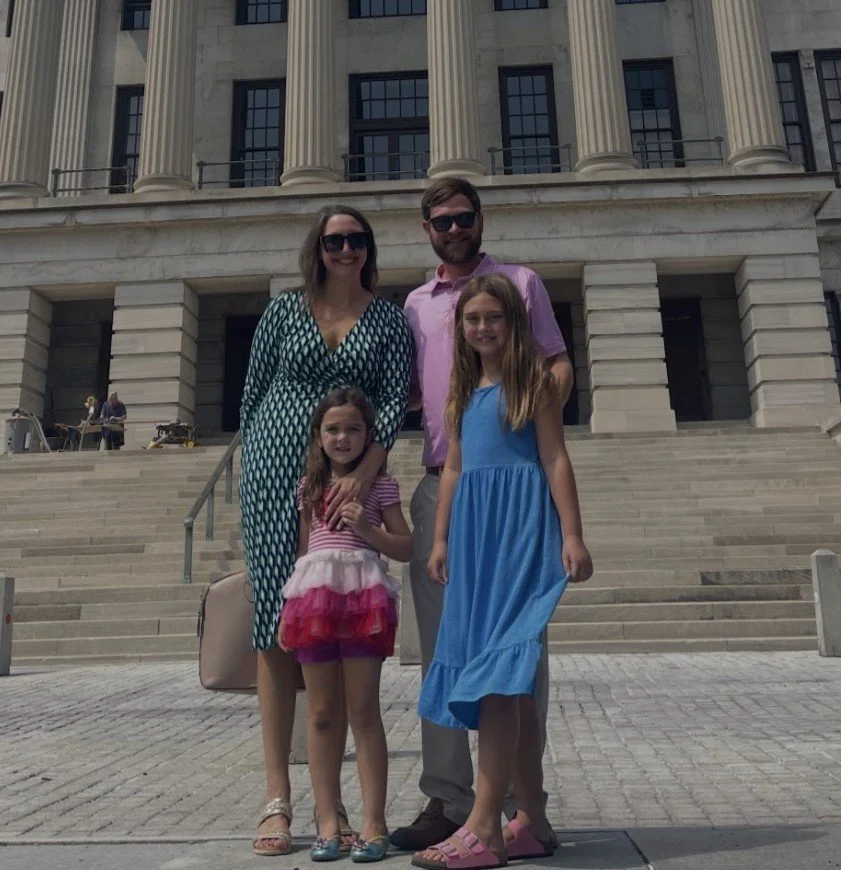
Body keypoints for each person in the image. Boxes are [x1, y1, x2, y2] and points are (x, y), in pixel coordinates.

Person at [393, 177, 574, 851]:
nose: (453, 228)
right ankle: (448, 800)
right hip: (447, 483)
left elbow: (557, 366)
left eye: (463, 217)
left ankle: (525, 804)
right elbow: (414, 390)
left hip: (515, 487)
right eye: (441, 221)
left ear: (479, 219)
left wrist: (524, 413)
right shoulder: (414, 303)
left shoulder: (519, 284)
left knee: (517, 657)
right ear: (426, 229)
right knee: (447, 650)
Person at [239, 206, 413, 857]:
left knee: (327, 627)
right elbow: (252, 395)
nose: (345, 248)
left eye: (356, 239)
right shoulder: (284, 310)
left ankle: (336, 807)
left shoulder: (388, 319)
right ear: (317, 246)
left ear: (368, 248)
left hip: (347, 475)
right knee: (273, 625)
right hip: (271, 469)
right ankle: (277, 797)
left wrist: (365, 474)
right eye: (334, 239)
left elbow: (392, 402)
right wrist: (257, 460)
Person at [413, 274, 593, 869]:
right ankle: (532, 819)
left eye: (494, 316)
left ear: (514, 322)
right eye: (473, 318)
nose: (484, 327)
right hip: (474, 540)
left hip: (521, 535)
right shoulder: (462, 396)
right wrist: (439, 540)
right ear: (460, 328)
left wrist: (571, 533)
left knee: (499, 677)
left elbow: (554, 457)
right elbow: (454, 473)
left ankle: (485, 825)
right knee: (508, 687)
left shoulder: (533, 384)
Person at [279, 388, 413, 862]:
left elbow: (405, 547)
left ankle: (375, 822)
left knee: (363, 711)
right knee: (319, 713)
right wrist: (287, 609)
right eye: (333, 429)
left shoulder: (380, 488)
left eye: (353, 428)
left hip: (363, 600)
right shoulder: (307, 488)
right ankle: (329, 819)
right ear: (318, 437)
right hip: (313, 603)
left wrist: (368, 529)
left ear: (368, 435)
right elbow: (303, 552)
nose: (342, 437)